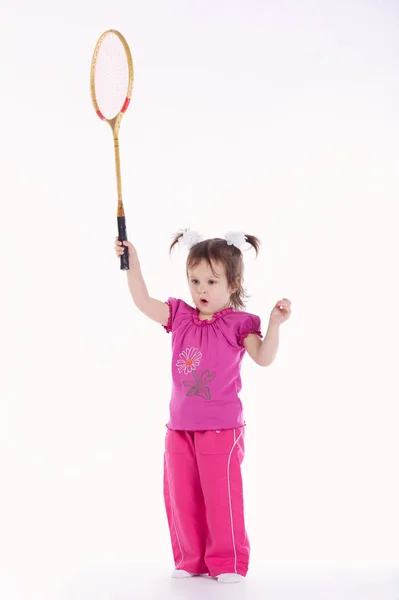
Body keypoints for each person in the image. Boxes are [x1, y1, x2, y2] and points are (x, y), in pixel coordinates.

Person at [114, 229, 292, 584]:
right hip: (179, 428)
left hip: (221, 429)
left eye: (211, 281)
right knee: (182, 497)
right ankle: (190, 559)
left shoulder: (238, 324)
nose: (201, 290)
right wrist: (131, 263)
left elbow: (264, 357)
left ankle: (227, 562)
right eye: (194, 280)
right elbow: (142, 301)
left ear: (233, 283)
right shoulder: (180, 316)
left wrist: (273, 325)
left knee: (221, 496)